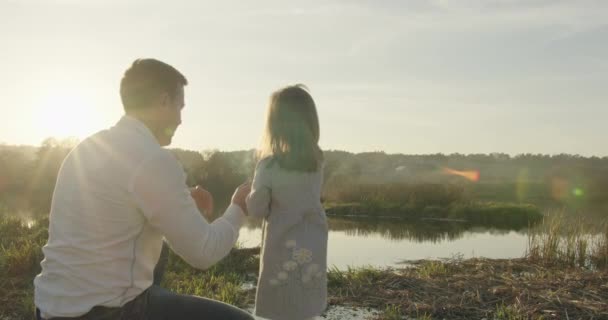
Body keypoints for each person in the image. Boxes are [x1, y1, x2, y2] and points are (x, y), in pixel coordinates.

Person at [33, 58, 254, 320]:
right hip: (108, 313)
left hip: (50, 309)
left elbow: (117, 202)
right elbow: (203, 252)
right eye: (179, 107)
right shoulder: (153, 159)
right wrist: (238, 207)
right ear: (163, 101)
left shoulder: (87, 147)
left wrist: (180, 195)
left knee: (153, 249)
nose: (181, 119)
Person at [246, 85, 328, 320]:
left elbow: (257, 208)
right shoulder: (317, 162)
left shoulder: (268, 166)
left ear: (275, 125)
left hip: (282, 245)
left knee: (279, 306)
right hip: (313, 242)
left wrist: (246, 197)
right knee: (306, 302)